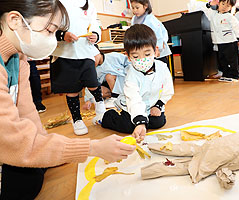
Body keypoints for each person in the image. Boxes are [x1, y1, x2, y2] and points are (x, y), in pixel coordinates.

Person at [0, 1, 135, 199]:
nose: (51, 39)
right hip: (8, 142)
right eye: (49, 31)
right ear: (14, 20)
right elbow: (15, 143)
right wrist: (93, 148)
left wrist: (47, 148)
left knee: (35, 172)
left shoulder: (18, 59)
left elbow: (28, 113)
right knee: (25, 186)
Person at [94, 24, 174, 143]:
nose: (142, 59)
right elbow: (133, 98)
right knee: (130, 126)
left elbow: (168, 90)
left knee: (158, 122)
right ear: (129, 57)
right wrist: (140, 121)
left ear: (156, 51)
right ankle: (106, 117)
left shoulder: (162, 68)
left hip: (152, 105)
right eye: (136, 56)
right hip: (131, 106)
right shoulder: (131, 74)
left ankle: (144, 118)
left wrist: (158, 105)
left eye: (147, 54)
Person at [50, 0, 106, 135]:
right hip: (65, 53)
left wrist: (95, 35)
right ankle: (77, 119)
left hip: (85, 51)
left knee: (92, 81)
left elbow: (95, 24)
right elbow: (49, 27)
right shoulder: (56, 3)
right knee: (71, 89)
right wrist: (63, 35)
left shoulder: (90, 5)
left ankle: (99, 100)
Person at [201, 0, 239, 82]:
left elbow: (236, 27)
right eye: (223, 4)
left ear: (231, 8)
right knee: (222, 60)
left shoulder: (230, 17)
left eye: (228, 6)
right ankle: (226, 74)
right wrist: (209, 4)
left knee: (232, 60)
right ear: (218, 3)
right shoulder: (213, 14)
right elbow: (205, 10)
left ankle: (234, 76)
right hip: (219, 42)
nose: (224, 7)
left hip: (230, 42)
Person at [130, 0, 172, 67]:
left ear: (145, 6)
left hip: (157, 49)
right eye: (133, 8)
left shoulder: (151, 19)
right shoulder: (133, 19)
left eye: (137, 8)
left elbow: (159, 34)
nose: (134, 10)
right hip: (145, 49)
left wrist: (158, 48)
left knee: (160, 66)